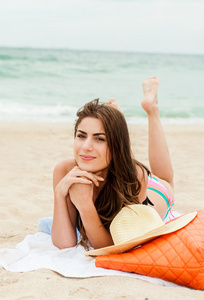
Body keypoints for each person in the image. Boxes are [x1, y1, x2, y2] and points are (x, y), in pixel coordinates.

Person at [51, 76, 176, 250]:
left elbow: (112, 245)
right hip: (119, 168)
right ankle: (115, 123)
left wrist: (85, 206)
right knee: (118, 158)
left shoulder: (136, 176)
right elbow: (64, 244)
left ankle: (152, 110)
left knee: (165, 179)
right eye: (81, 135)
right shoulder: (65, 170)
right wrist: (59, 194)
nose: (86, 147)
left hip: (152, 194)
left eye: (99, 138)